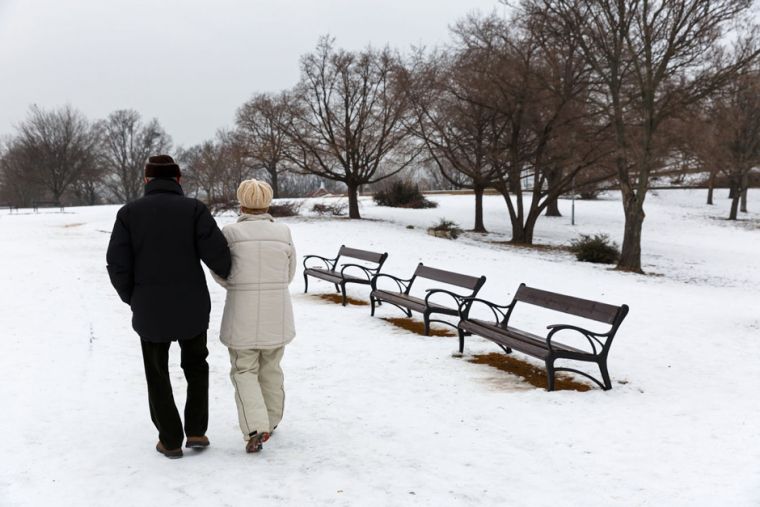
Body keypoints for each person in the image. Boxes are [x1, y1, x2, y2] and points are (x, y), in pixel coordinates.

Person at [106, 155, 231, 459]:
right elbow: (220, 258)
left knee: (157, 373)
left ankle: (170, 439)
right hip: (192, 307)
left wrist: (134, 298)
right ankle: (197, 430)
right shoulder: (194, 210)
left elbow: (117, 265)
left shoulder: (128, 214)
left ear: (147, 180)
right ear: (178, 180)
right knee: (197, 367)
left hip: (150, 309)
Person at [212, 179, 296, 453]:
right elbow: (289, 272)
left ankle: (256, 427)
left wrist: (238, 285)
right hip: (277, 312)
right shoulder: (283, 232)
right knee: (272, 368)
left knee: (244, 370)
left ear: (241, 201)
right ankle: (271, 421)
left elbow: (220, 271)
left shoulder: (230, 233)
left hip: (242, 314)